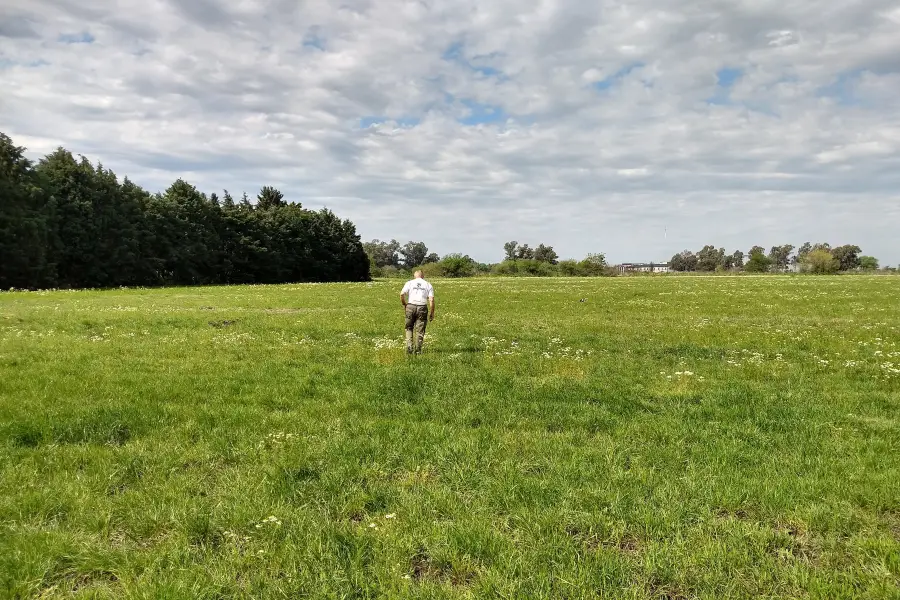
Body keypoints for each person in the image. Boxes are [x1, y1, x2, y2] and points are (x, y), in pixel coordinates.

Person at [399, 270, 435, 355]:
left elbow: (401, 294)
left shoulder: (409, 283)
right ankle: (418, 350)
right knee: (420, 330)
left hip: (410, 306)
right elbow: (431, 299)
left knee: (409, 327)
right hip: (422, 307)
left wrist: (404, 304)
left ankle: (409, 348)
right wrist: (432, 312)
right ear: (423, 276)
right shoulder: (428, 284)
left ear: (414, 276)